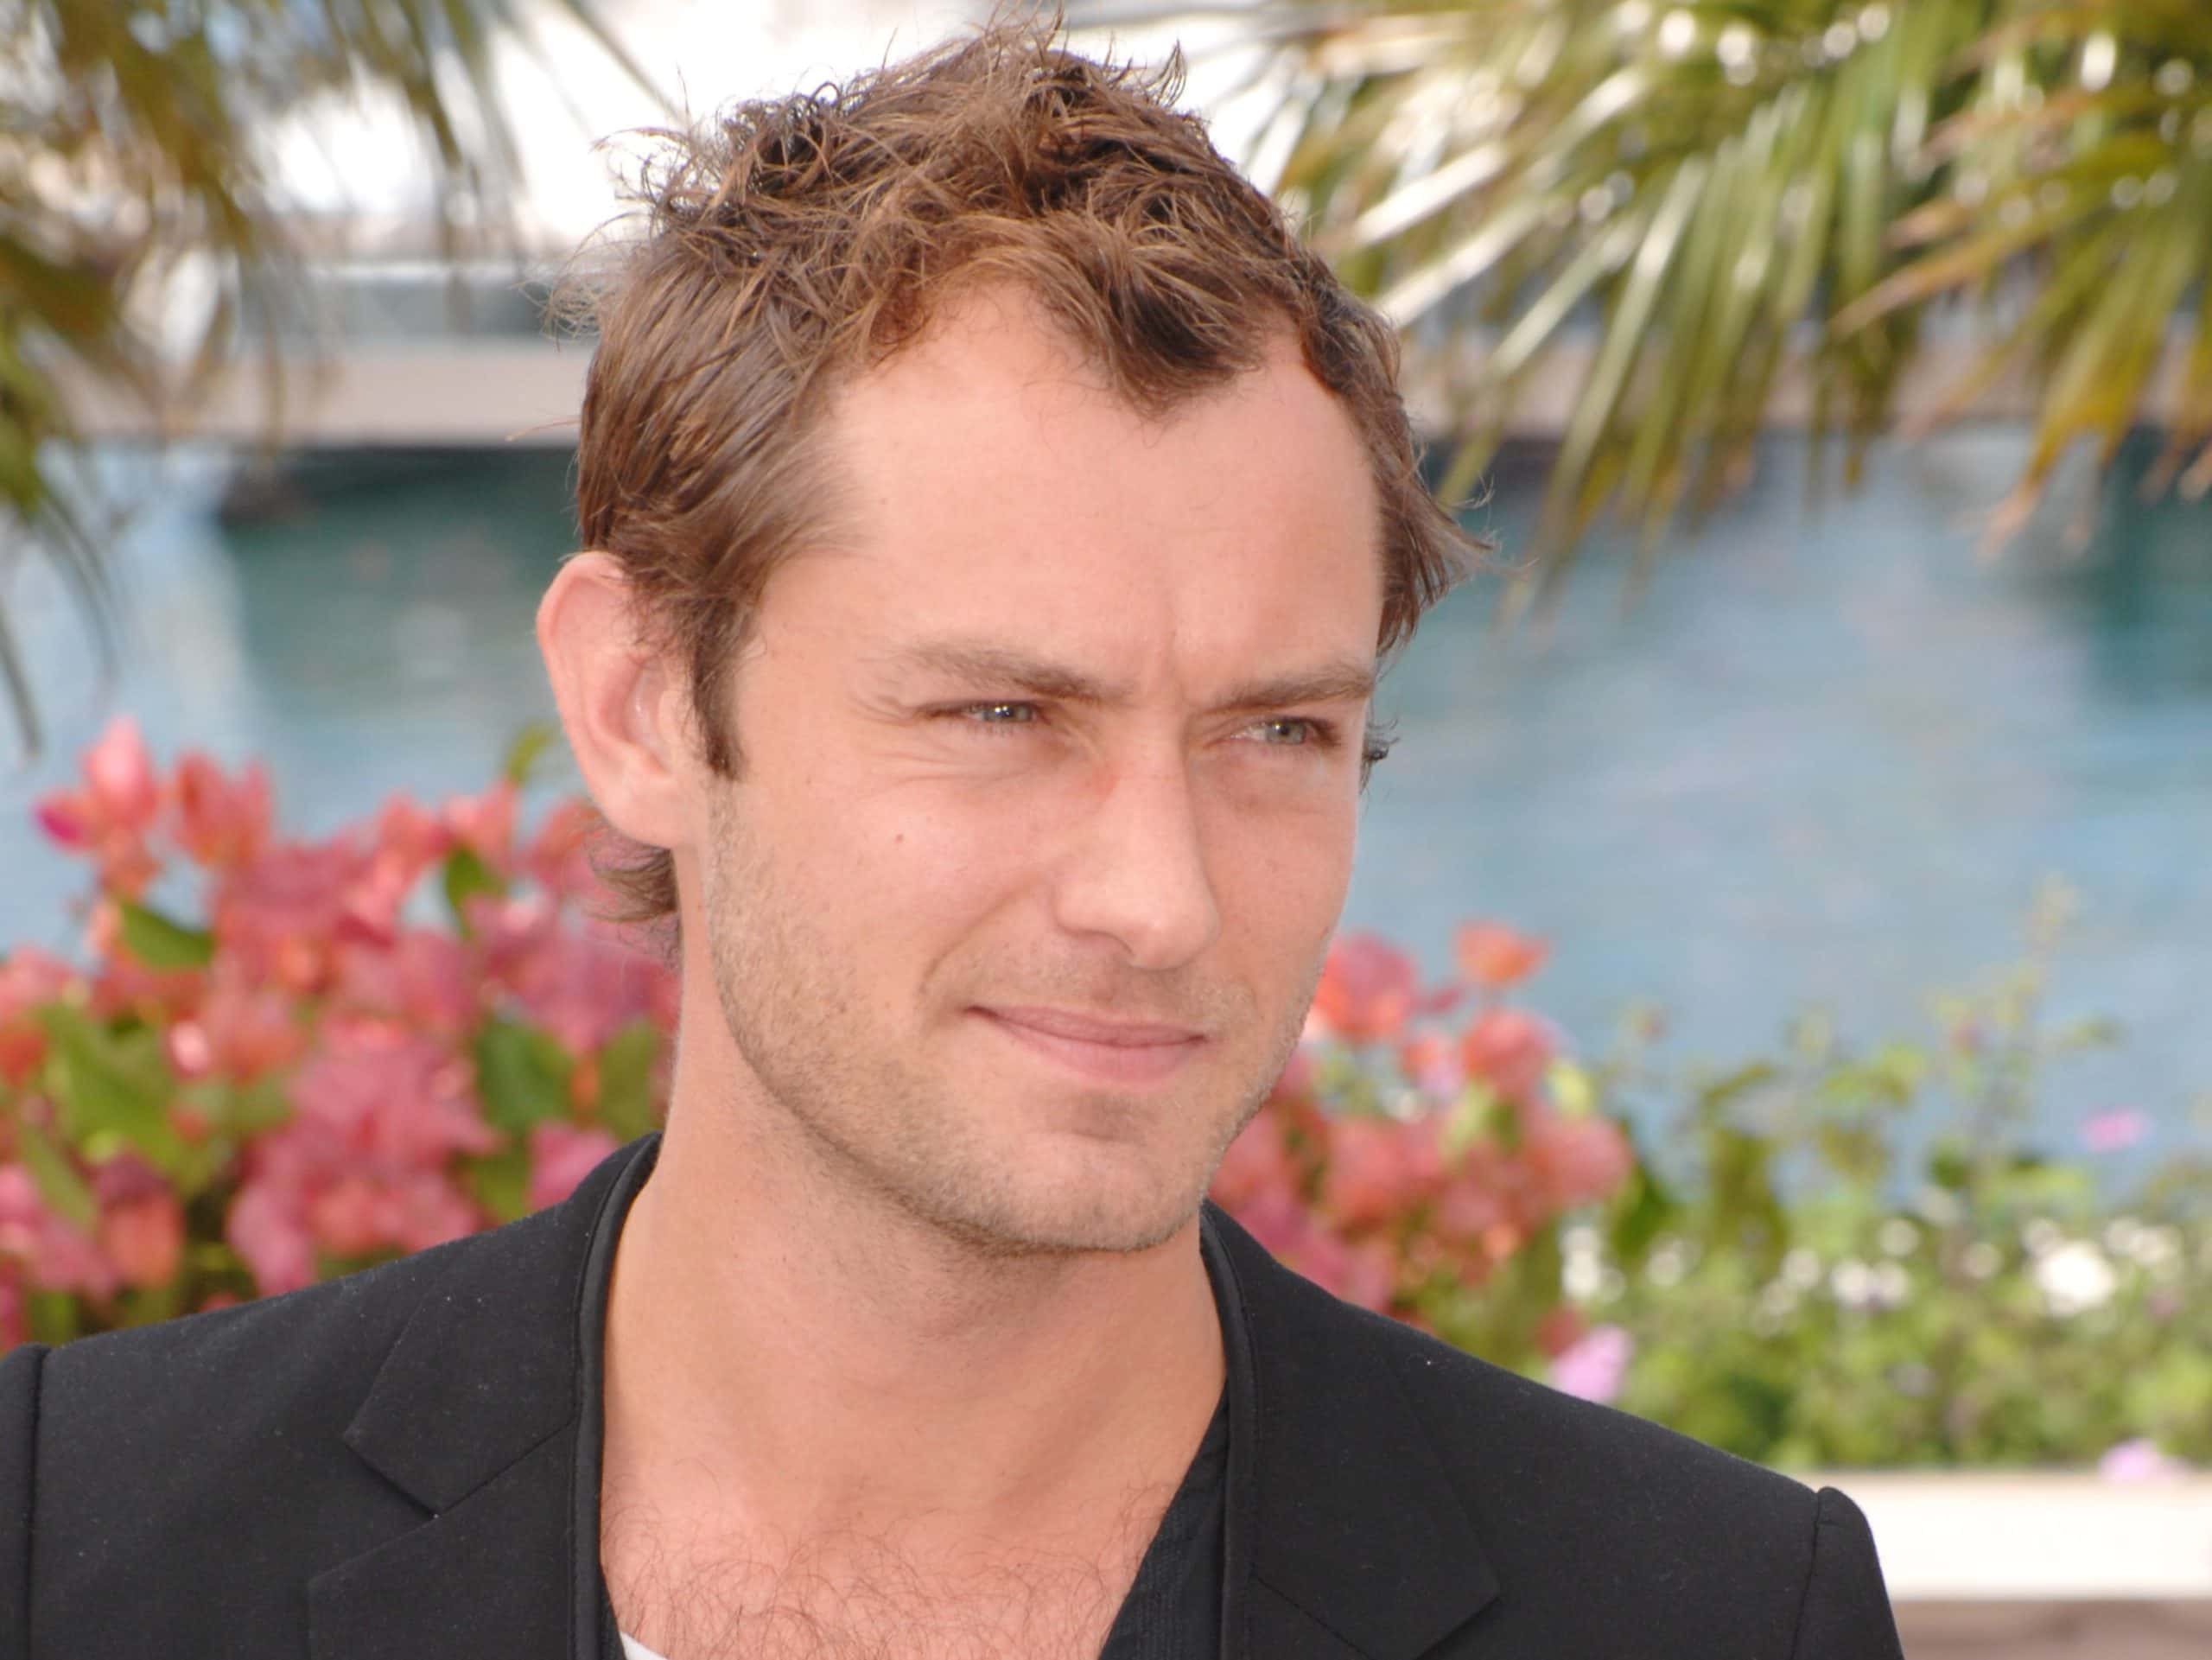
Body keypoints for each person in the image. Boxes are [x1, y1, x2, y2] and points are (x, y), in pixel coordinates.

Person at [0, 17, 1906, 1660]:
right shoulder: (73, 1545)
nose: (1157, 899)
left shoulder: (1712, 1614)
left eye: (1276, 731)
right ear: (642, 706)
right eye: (1001, 716)